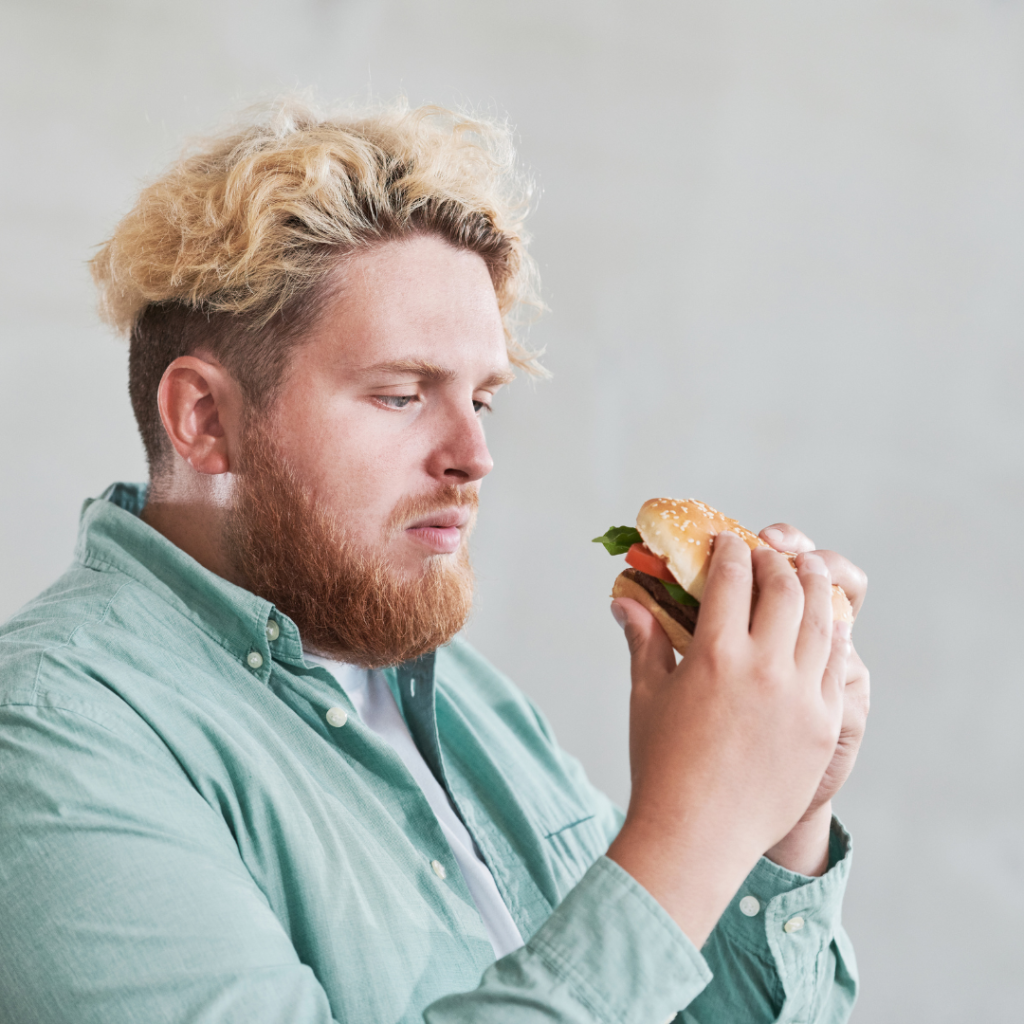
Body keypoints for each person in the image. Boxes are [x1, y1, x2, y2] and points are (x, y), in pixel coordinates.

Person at [0, 98, 869, 1024]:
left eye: (482, 401)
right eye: (402, 395)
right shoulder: (53, 736)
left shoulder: (466, 698)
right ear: (206, 420)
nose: (473, 456)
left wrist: (778, 820)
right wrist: (691, 833)